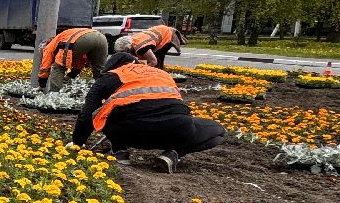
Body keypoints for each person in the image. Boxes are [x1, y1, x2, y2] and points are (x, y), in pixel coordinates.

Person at [72, 50, 226, 172]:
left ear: (111, 68)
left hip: (129, 132)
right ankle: (174, 153)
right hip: (175, 130)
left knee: (106, 111)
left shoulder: (110, 76)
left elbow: (86, 115)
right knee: (217, 130)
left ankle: (120, 152)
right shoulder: (162, 73)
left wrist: (77, 144)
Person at [37, 26, 109, 92]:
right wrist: (68, 77)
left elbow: (45, 67)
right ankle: (105, 94)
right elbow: (79, 63)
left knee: (58, 67)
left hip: (82, 38)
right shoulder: (65, 39)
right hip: (101, 38)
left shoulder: (48, 47)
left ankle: (53, 94)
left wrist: (41, 85)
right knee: (99, 71)